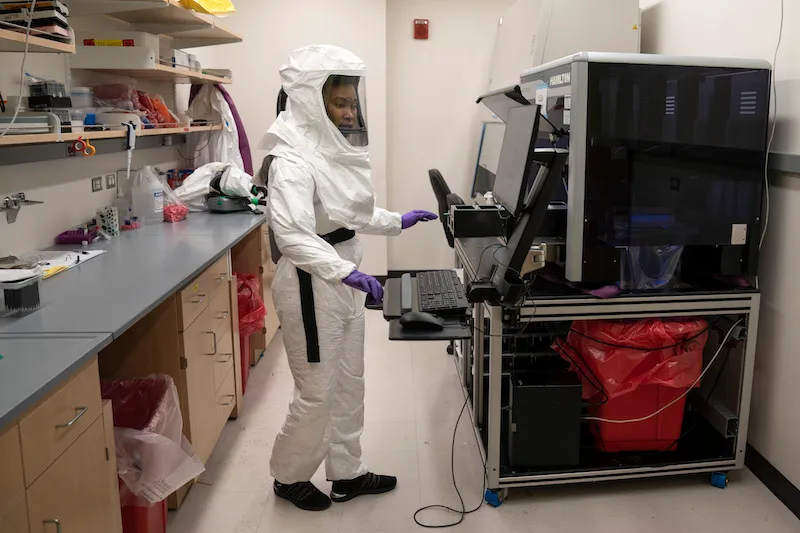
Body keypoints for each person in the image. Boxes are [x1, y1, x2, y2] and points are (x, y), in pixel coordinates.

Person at [257, 44, 438, 512]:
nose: (351, 112)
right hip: (310, 285)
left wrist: (396, 221)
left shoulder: (327, 150)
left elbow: (346, 213)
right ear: (309, 101)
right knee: (317, 392)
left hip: (340, 276)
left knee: (349, 383)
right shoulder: (291, 160)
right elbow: (293, 235)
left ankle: (346, 473)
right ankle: (289, 477)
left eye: (353, 103)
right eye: (340, 103)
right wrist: (347, 273)